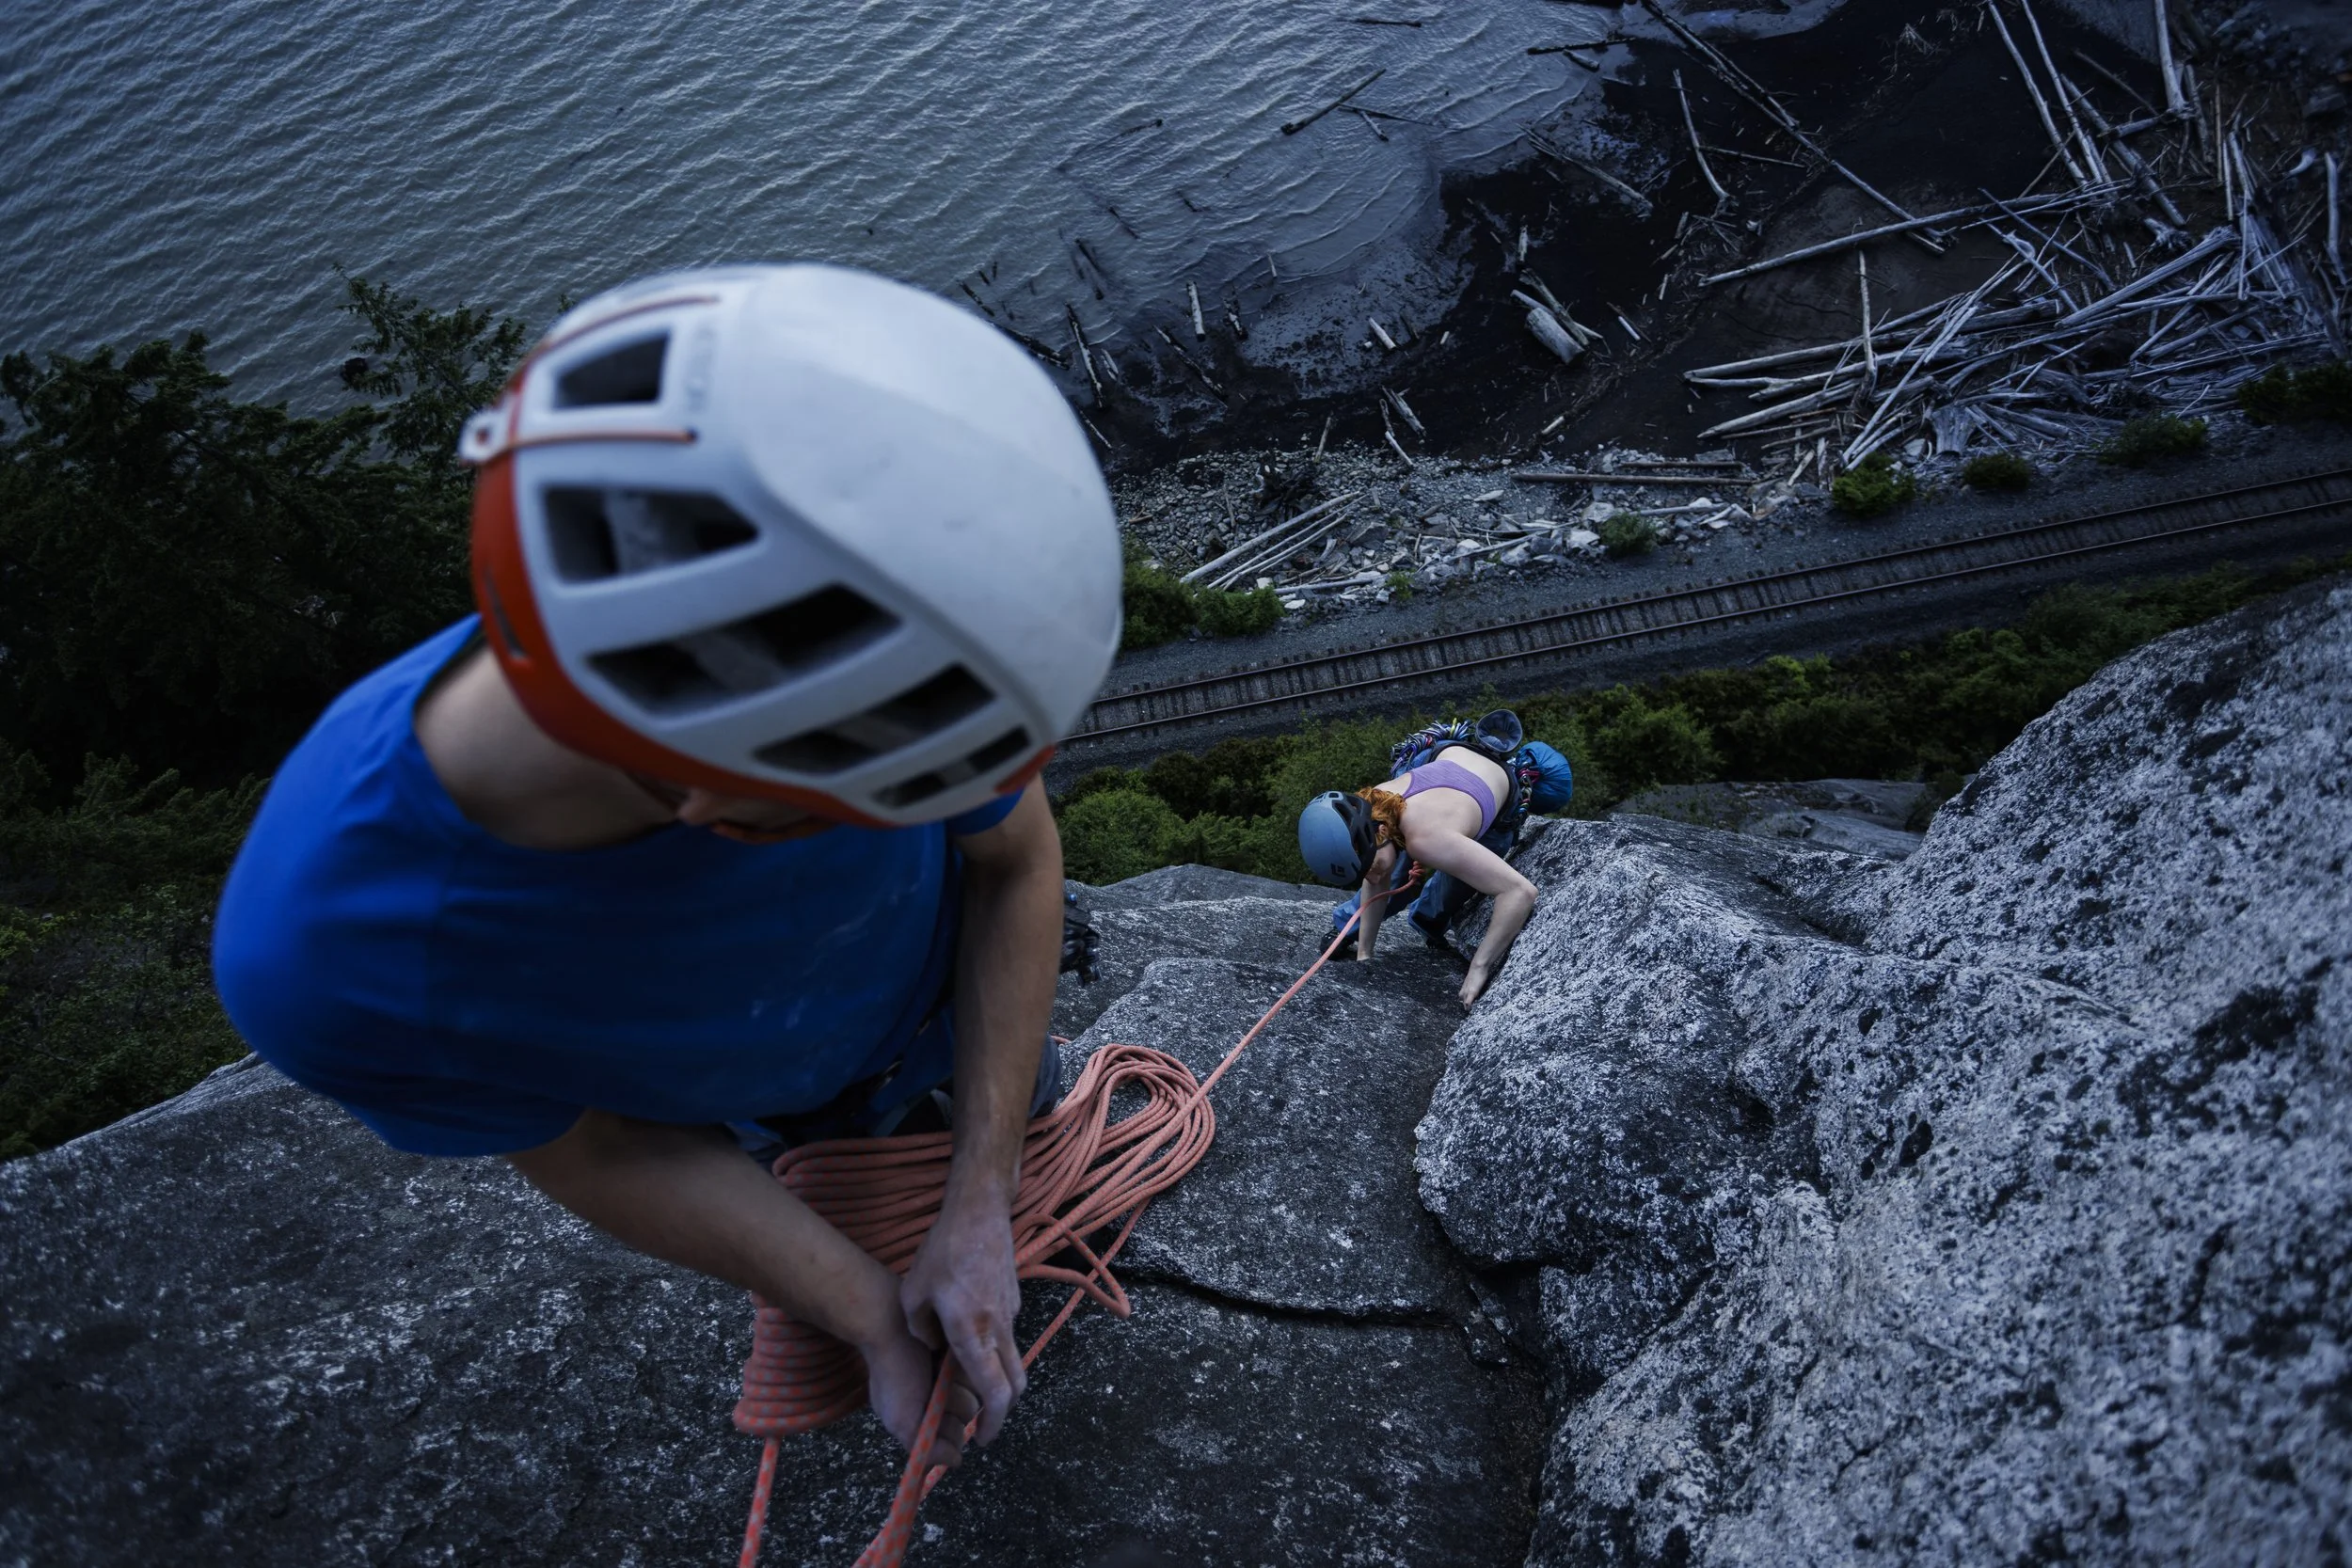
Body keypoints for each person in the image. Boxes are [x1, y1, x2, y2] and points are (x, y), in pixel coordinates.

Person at [211, 264, 1123, 1477]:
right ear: (707, 805)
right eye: (860, 808)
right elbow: (592, 1144)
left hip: (955, 1013)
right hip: (734, 1116)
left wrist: (979, 1204)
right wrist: (861, 1306)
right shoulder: (334, 963)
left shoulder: (851, 633)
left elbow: (1010, 863)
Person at [1297, 715, 1572, 1007]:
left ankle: (1429, 918)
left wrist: (1479, 968)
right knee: (1395, 865)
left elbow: (1520, 892)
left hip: (1500, 802)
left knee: (1457, 880)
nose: (1371, 877)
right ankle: (1415, 919)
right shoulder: (1374, 801)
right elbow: (1377, 879)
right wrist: (1365, 955)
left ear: (1379, 832)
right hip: (1443, 756)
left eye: (1368, 866)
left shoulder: (1427, 839)